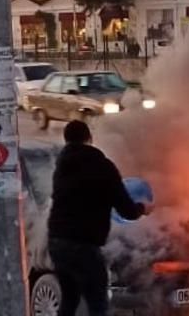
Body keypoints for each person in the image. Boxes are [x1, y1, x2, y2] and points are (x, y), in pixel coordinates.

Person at [47, 120, 152, 316]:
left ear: (66, 139)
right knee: (98, 303)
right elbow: (126, 210)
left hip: (57, 244)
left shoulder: (61, 167)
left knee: (70, 299)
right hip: (84, 246)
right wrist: (142, 208)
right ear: (89, 138)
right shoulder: (102, 166)